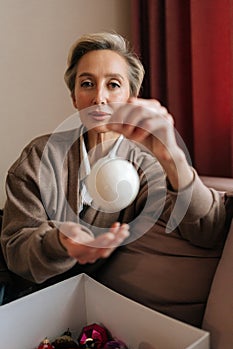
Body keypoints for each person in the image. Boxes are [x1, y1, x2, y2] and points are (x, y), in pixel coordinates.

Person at [1, 32, 226, 326]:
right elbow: (16, 252)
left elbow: (208, 230)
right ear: (74, 98)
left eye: (113, 85)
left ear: (130, 97)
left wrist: (173, 157)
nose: (99, 97)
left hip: (74, 305)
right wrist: (61, 242)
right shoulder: (40, 154)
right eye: (87, 84)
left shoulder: (147, 166)